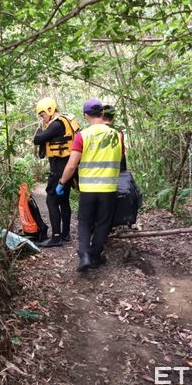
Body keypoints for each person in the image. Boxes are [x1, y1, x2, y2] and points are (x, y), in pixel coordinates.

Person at [56, 98, 123, 271]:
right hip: (108, 189)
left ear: (85, 115)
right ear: (102, 113)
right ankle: (95, 255)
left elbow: (72, 165)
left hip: (88, 189)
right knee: (102, 223)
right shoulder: (117, 135)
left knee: (85, 222)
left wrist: (62, 182)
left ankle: (84, 254)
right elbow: (121, 158)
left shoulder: (82, 136)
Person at [32, 97, 75, 247]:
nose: (42, 118)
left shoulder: (56, 124)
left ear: (50, 110)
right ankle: (65, 234)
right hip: (67, 169)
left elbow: (37, 139)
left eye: (42, 115)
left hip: (59, 170)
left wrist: (39, 129)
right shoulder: (63, 121)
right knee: (63, 200)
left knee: (51, 200)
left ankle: (56, 237)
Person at [102, 104, 127, 172]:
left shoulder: (93, 132)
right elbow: (121, 154)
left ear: (101, 116)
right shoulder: (119, 133)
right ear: (113, 117)